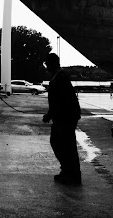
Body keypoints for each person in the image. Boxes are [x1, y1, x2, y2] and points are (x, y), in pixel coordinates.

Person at [42, 53, 82, 185]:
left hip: (66, 118)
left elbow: (63, 101)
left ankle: (73, 175)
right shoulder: (58, 77)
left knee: (66, 146)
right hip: (64, 117)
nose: (46, 67)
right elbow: (57, 101)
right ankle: (67, 171)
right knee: (60, 144)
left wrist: (51, 115)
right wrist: (51, 114)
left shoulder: (60, 78)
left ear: (52, 64)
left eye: (47, 64)